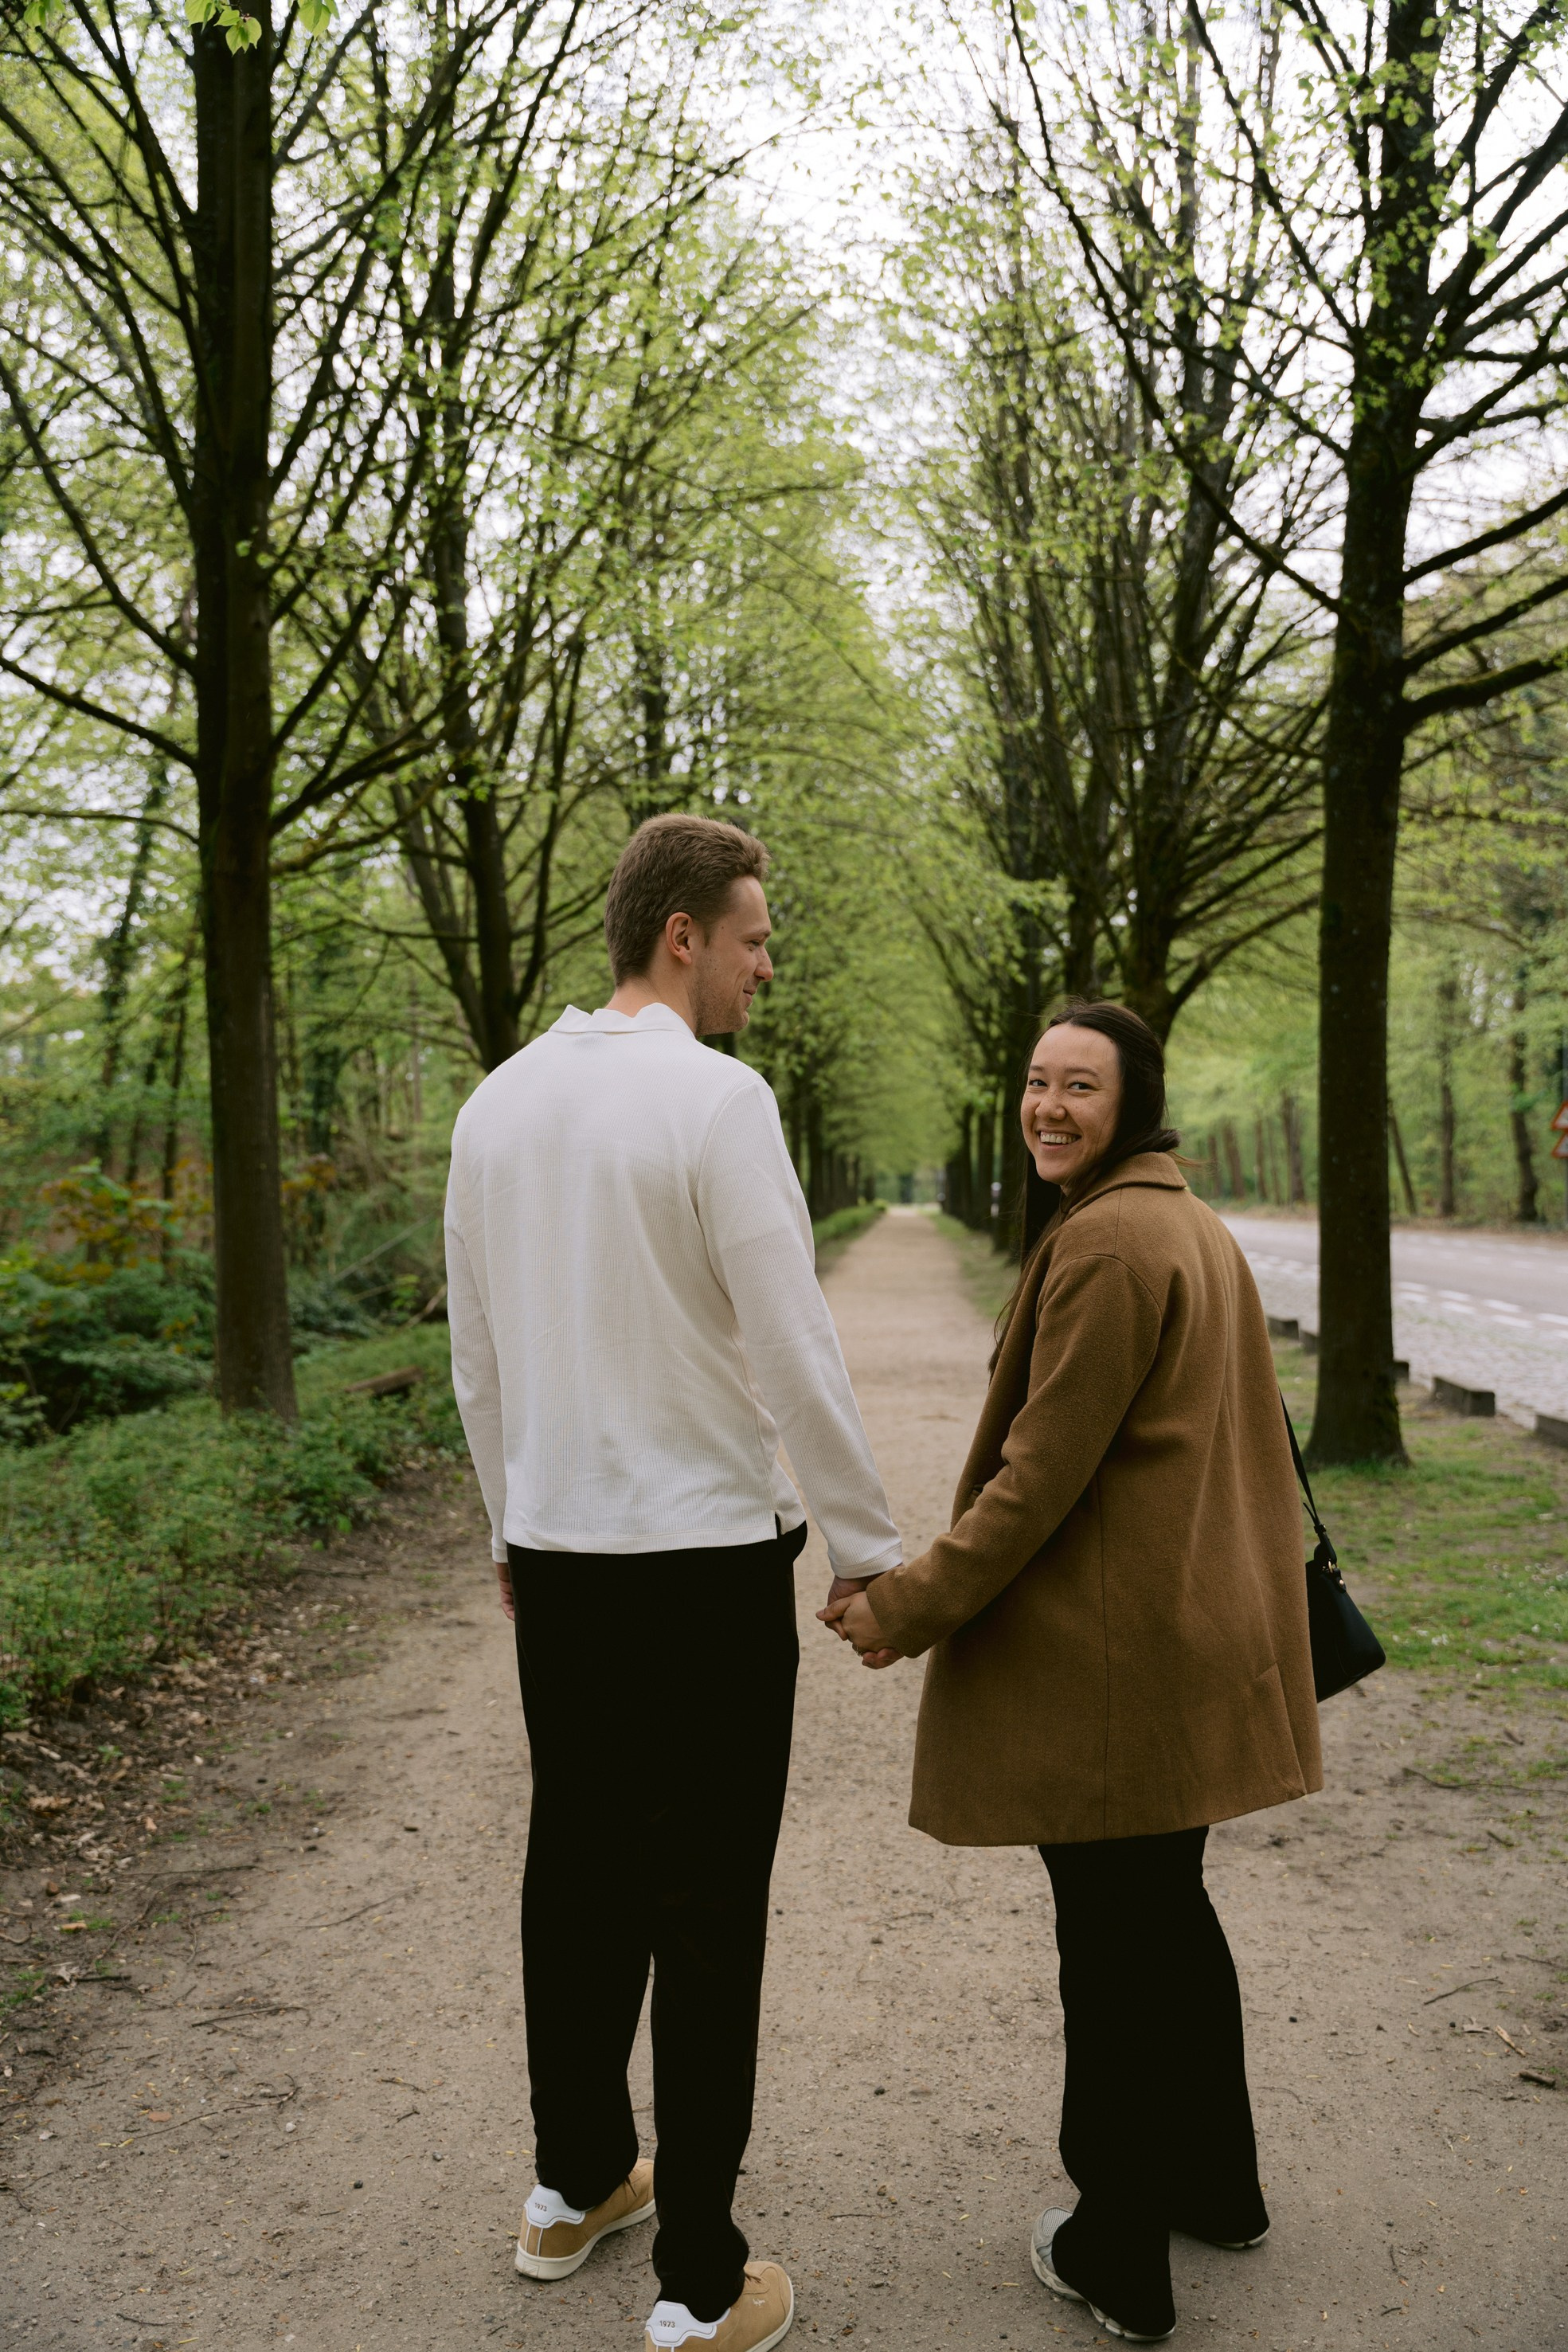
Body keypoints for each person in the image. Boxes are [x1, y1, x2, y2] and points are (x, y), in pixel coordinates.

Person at [445, 812, 901, 2352]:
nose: (768, 965)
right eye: (756, 937)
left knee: (571, 1879)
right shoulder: (717, 1100)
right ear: (683, 934)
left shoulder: (494, 1107)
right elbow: (792, 1342)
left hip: (563, 1566)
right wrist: (873, 1546)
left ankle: (573, 2181)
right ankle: (702, 2282)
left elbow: (479, 1357)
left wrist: (510, 1527)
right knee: (706, 1911)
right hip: (703, 1566)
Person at [823, 1001, 1321, 2345]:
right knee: (1168, 1925)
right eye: (1037, 1082)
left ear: (1133, 1101)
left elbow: (1038, 1480)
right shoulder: (1189, 1225)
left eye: (1078, 1087)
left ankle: (1118, 2250)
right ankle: (1217, 2188)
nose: (1049, 1106)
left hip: (1118, 1668)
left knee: (1112, 1950)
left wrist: (906, 1606)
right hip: (1182, 1646)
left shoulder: (1106, 1240)